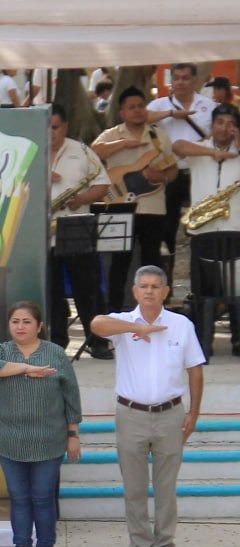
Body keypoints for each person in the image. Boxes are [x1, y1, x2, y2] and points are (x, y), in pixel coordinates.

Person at [92, 267, 206, 547]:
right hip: (131, 414)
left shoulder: (181, 325)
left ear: (166, 291)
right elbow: (96, 324)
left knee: (166, 487)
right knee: (135, 487)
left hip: (171, 414)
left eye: (156, 286)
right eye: (144, 286)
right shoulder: (124, 322)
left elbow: (195, 369)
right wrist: (138, 329)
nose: (150, 291)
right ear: (134, 291)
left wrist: (193, 413)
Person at [0, 302, 83, 547]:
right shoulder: (0, 351)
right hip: (9, 440)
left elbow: (71, 397)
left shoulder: (55, 354)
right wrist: (25, 368)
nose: (21, 326)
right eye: (15, 321)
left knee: (43, 497)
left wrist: (73, 434)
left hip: (48, 441)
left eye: (26, 322)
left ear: (39, 326)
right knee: (19, 498)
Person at [93, 88, 179, 313]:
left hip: (153, 208)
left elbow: (172, 172)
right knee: (119, 262)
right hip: (118, 205)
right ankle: (114, 309)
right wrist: (123, 144)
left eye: (141, 106)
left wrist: (159, 176)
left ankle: (154, 310)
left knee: (152, 261)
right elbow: (94, 153)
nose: (138, 111)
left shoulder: (158, 136)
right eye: (132, 107)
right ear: (122, 112)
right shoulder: (112, 134)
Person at [173, 103, 240, 356]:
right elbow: (177, 146)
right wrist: (211, 153)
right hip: (203, 230)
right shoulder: (199, 149)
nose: (225, 128)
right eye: (220, 122)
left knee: (238, 289)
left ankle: (238, 339)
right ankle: (204, 340)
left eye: (231, 123)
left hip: (235, 229)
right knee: (204, 290)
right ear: (212, 125)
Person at [48, 103, 113, 358]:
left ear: (65, 127)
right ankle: (56, 342)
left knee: (88, 289)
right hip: (44, 234)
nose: (50, 133)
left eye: (55, 127)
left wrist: (80, 198)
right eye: (46, 128)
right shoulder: (33, 151)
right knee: (51, 291)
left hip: (75, 226)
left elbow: (103, 185)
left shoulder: (81, 151)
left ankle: (96, 341)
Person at [148, 64, 216, 273]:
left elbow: (219, 133)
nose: (180, 82)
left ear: (195, 81)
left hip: (199, 172)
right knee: (166, 229)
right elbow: (140, 119)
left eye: (185, 78)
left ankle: (202, 284)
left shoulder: (209, 105)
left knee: (201, 227)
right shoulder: (159, 105)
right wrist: (170, 113)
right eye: (176, 78)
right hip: (170, 173)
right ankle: (164, 284)